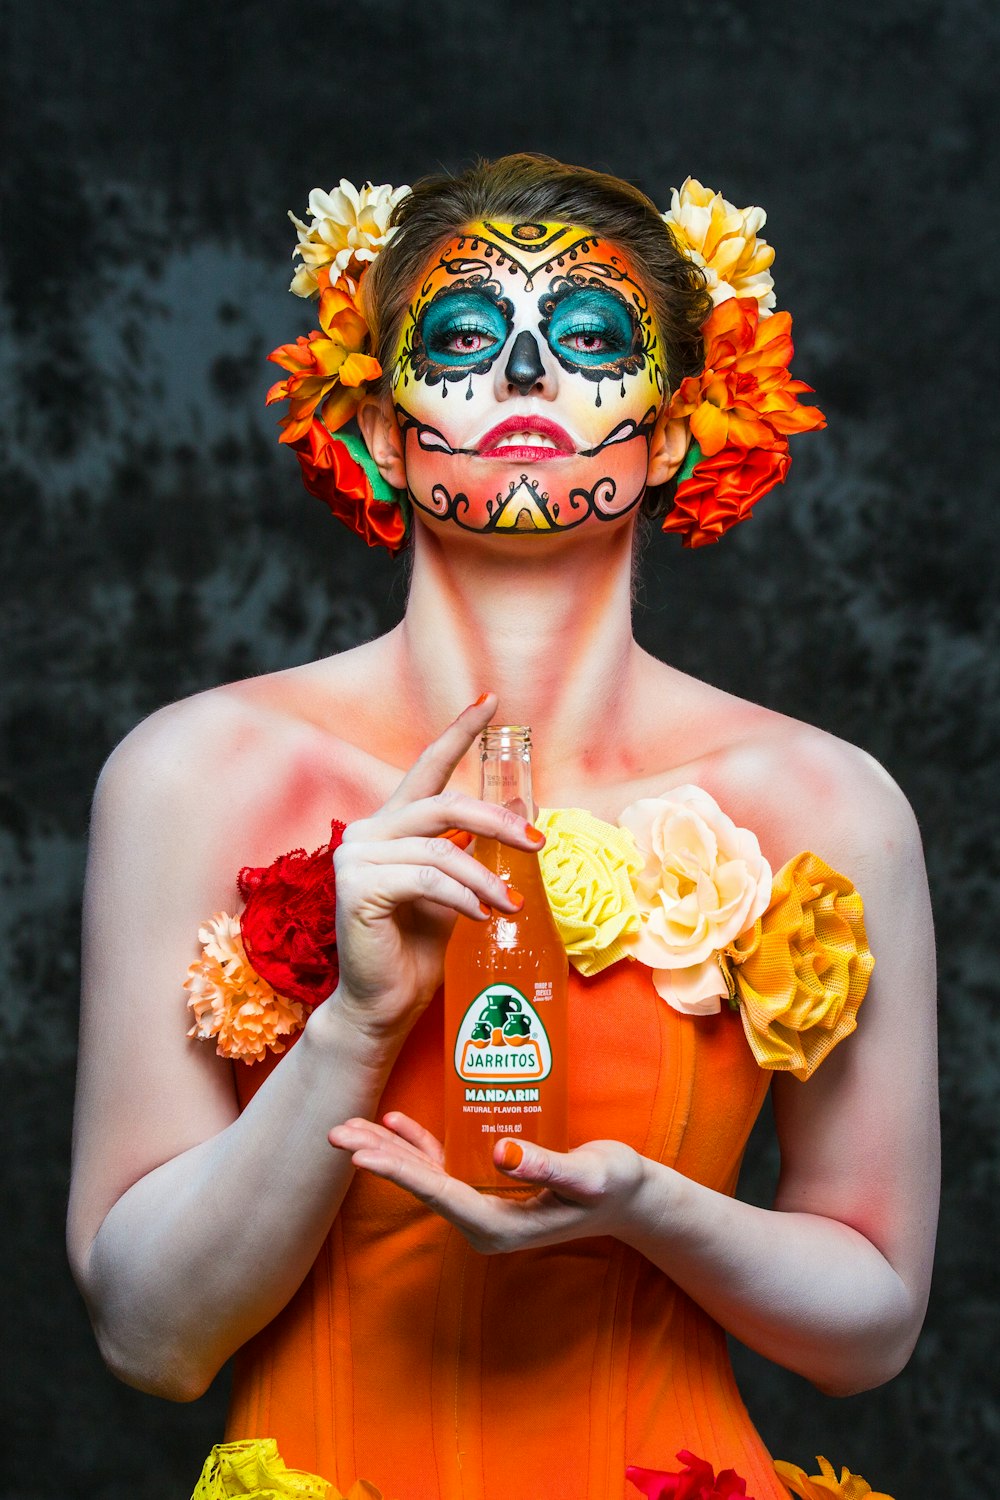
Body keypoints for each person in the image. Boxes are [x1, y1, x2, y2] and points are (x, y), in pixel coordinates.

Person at [67, 155, 938, 1500]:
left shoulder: (823, 805)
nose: (526, 370)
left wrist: (648, 1213)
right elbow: (150, 1340)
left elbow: (871, 1333)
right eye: (464, 337)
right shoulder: (193, 777)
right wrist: (352, 1033)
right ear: (382, 428)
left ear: (672, 430)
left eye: (589, 337)